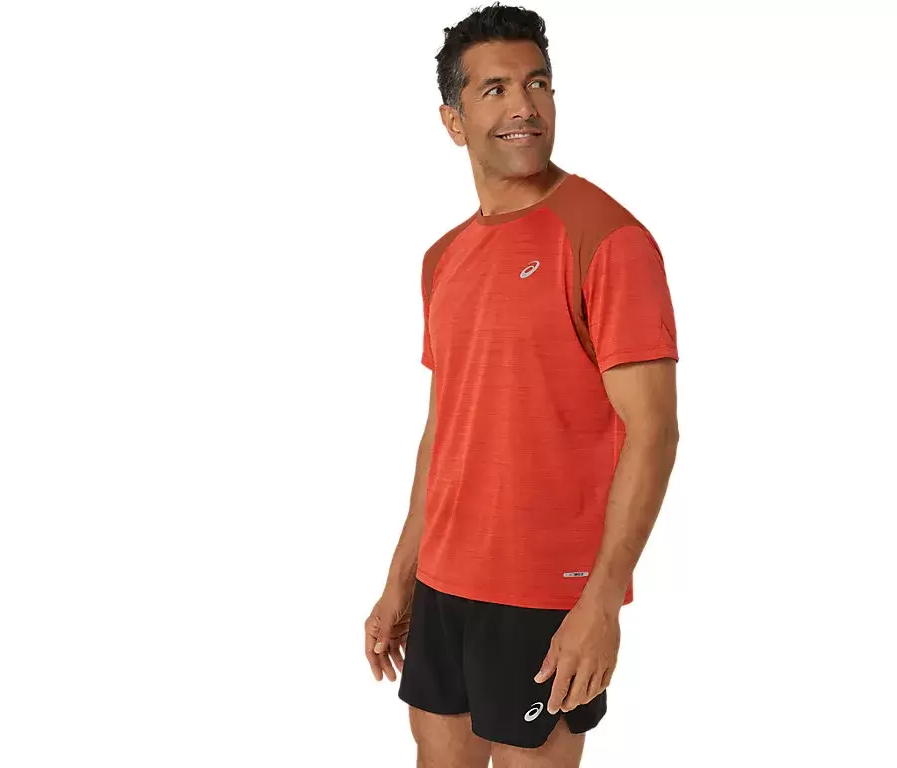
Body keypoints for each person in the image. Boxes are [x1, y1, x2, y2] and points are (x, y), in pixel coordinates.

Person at [363, 4, 679, 766]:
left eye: (538, 84)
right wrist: (402, 575)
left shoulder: (607, 239)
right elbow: (445, 430)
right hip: (445, 578)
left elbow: (654, 431)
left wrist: (601, 600)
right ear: (453, 120)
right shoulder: (443, 258)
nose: (524, 107)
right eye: (495, 89)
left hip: (546, 590)